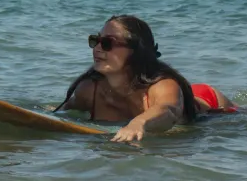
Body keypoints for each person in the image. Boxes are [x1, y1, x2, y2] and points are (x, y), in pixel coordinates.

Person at [55, 14, 237, 145]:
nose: (97, 49)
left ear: (136, 51)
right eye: (96, 40)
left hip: (209, 104)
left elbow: (168, 110)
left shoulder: (164, 85)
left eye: (108, 43)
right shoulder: (89, 90)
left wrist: (138, 123)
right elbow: (60, 114)